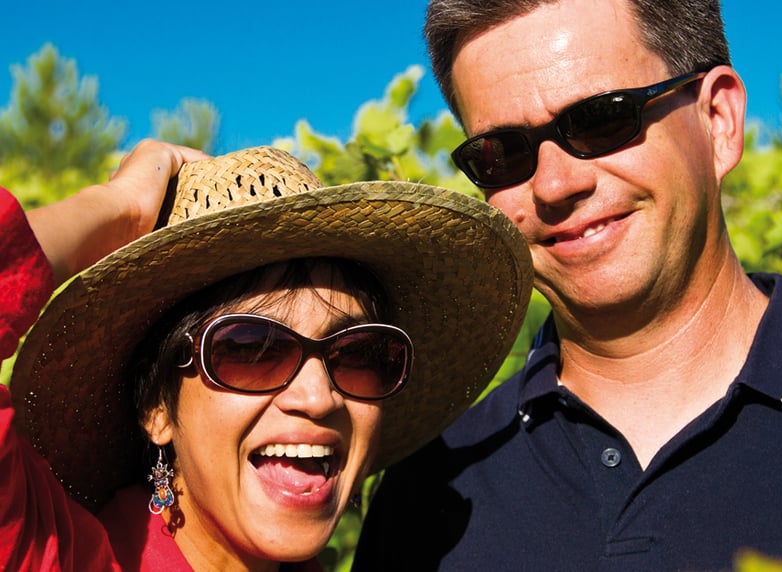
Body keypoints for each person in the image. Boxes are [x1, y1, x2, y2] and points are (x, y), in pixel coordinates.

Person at [353, 0, 782, 570]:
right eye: (503, 154)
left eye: (600, 120)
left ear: (718, 120)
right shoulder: (431, 491)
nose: (555, 185)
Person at [1, 141, 533, 570]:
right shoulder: (54, 555)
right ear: (156, 406)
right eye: (250, 349)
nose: (319, 397)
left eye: (358, 353)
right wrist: (119, 206)